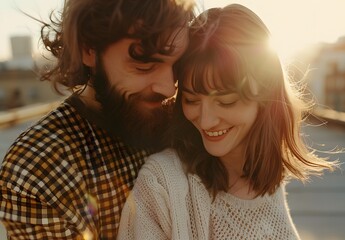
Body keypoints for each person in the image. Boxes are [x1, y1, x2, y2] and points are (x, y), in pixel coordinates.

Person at [117, 4, 338, 240]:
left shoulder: (265, 178)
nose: (206, 120)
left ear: (265, 97)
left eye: (226, 101)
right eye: (191, 99)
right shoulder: (161, 184)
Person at [0, 0, 195, 239]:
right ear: (89, 49)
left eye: (177, 65)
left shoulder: (193, 118)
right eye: (144, 65)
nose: (168, 87)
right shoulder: (41, 167)